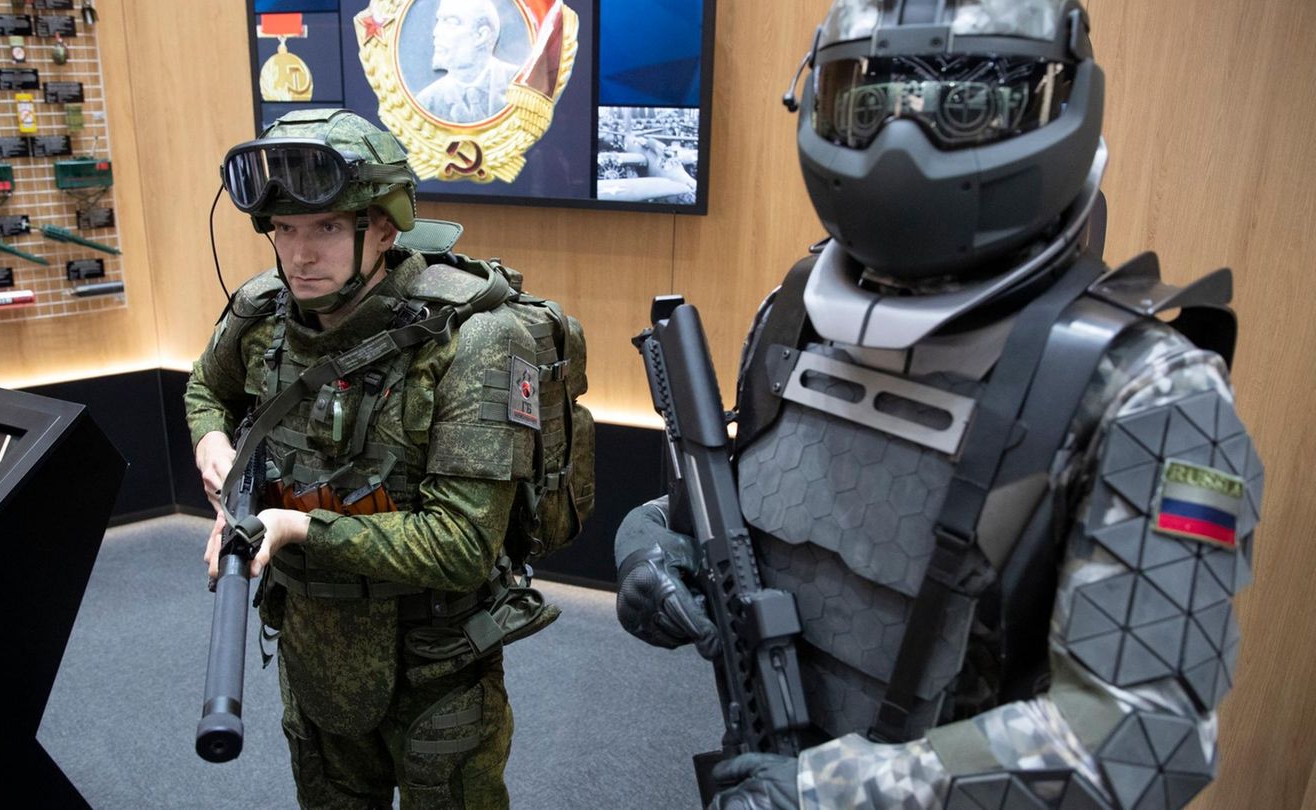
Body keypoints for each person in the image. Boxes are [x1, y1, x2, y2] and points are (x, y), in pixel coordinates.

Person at [613, 1, 1262, 808]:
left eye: (964, 106)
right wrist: (647, 547)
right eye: (868, 102)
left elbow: (1140, 734)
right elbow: (738, 519)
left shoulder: (1155, 395)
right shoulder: (793, 319)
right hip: (766, 770)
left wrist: (834, 794)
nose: (901, 142)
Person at [187, 108, 559, 808]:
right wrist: (212, 440)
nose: (300, 255)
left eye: (326, 228)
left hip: (437, 664)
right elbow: (206, 385)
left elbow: (460, 545)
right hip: (312, 645)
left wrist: (296, 529)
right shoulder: (261, 312)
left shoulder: (475, 340)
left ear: (384, 227)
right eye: (285, 230)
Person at [416, 0, 521, 123]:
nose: (436, 32)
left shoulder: (521, 84)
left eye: (451, 22)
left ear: (482, 36)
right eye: (438, 21)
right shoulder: (427, 102)